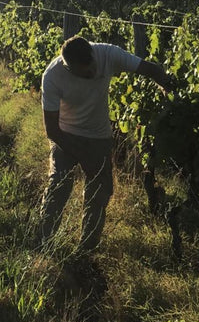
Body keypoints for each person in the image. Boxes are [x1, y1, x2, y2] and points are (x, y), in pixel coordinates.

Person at [40, 35, 175, 255]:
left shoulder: (107, 54)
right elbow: (52, 130)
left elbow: (149, 69)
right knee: (59, 185)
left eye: (92, 66)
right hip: (65, 136)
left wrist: (168, 86)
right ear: (69, 68)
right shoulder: (52, 77)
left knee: (99, 194)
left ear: (93, 54)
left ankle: (86, 250)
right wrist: (84, 157)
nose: (93, 73)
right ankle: (44, 244)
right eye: (85, 72)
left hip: (98, 136)